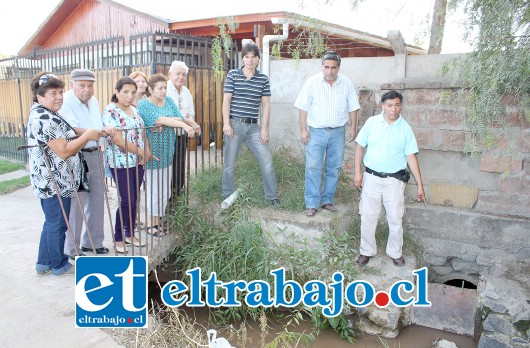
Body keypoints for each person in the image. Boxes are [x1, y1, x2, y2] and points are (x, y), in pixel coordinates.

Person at [27, 72, 101, 276]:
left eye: (60, 92)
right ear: (39, 96)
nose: (59, 96)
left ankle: (43, 263)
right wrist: (86, 135)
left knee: (52, 222)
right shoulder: (44, 117)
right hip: (54, 182)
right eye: (53, 93)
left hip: (56, 180)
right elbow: (65, 150)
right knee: (58, 224)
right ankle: (58, 264)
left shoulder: (47, 112)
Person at [354, 90, 427, 267]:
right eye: (389, 105)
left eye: (397, 105)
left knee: (395, 217)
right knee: (368, 216)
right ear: (383, 106)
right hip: (371, 177)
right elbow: (359, 147)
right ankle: (366, 251)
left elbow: (411, 158)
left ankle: (395, 253)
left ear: (401, 106)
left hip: (394, 181)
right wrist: (357, 173)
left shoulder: (405, 129)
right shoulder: (371, 123)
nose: (393, 109)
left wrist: (420, 185)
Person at [294, 51, 360, 217]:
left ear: (339, 68)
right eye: (327, 67)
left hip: (338, 132)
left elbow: (353, 107)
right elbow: (303, 107)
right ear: (321, 67)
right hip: (316, 132)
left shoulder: (346, 83)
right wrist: (303, 129)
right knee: (313, 167)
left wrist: (353, 128)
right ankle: (311, 203)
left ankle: (327, 200)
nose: (330, 71)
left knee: (334, 168)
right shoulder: (312, 82)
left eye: (334, 68)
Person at [222, 43, 280, 206]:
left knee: (266, 160)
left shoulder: (263, 79)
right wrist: (226, 123)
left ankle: (272, 196)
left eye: (253, 57)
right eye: (247, 57)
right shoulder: (233, 75)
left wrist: (265, 129)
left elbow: (266, 104)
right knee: (230, 163)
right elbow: (226, 100)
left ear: (258, 59)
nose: (250, 60)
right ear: (243, 59)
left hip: (254, 127)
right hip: (234, 124)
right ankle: (227, 194)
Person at [102, 77, 155, 252]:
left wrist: (146, 151)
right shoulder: (111, 110)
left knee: (134, 198)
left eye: (132, 92)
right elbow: (117, 139)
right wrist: (143, 152)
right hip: (120, 162)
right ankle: (119, 237)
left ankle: (130, 233)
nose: (129, 96)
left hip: (137, 161)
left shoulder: (134, 110)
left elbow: (142, 133)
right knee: (127, 199)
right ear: (117, 92)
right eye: (125, 92)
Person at [137, 74, 194, 235]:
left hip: (168, 152)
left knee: (164, 190)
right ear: (150, 89)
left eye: (165, 88)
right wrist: (181, 124)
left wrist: (172, 120)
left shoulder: (168, 101)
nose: (163, 91)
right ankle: (150, 224)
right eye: (160, 88)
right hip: (152, 155)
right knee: (154, 190)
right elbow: (160, 119)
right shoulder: (144, 105)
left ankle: (158, 221)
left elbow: (178, 116)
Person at [60, 69, 107, 258]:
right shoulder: (65, 101)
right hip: (77, 155)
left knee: (97, 199)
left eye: (90, 85)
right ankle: (73, 249)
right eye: (82, 85)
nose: (86, 89)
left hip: (96, 153)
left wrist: (103, 130)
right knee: (77, 204)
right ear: (72, 84)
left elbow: (97, 124)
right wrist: (91, 132)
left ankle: (93, 242)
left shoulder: (93, 101)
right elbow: (70, 129)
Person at [167, 60, 201, 197]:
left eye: (183, 74)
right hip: (168, 135)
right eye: (178, 74)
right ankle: (167, 199)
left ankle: (178, 196)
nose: (181, 77)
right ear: (170, 74)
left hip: (182, 135)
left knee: (180, 166)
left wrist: (190, 119)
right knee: (169, 168)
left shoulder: (186, 91)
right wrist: (184, 119)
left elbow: (191, 112)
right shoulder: (165, 90)